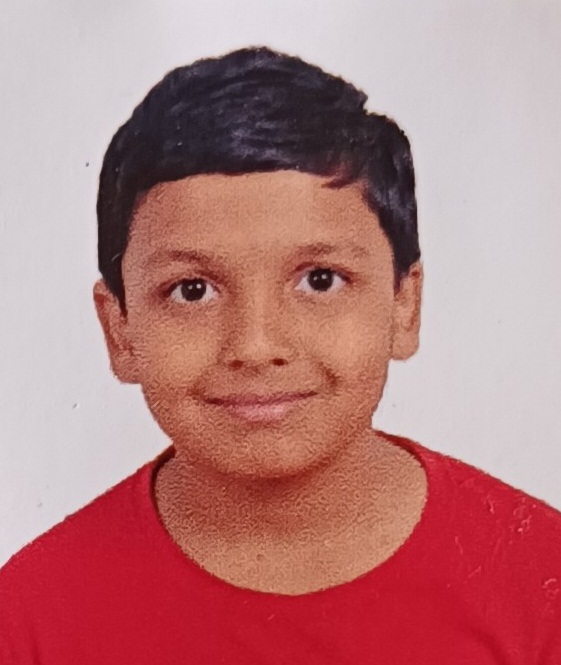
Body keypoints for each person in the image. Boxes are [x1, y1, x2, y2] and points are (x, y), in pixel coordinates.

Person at [0, 45, 559, 664]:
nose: (256, 346)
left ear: (404, 304)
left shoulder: (540, 581)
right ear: (121, 330)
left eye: (320, 280)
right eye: (192, 290)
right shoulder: (29, 618)